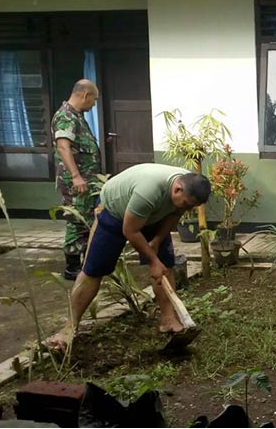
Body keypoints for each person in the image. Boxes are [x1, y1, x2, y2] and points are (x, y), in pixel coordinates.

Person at [46, 163, 211, 351]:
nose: (186, 208)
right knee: (93, 270)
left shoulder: (186, 189)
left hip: (151, 217)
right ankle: (69, 329)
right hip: (115, 213)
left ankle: (168, 320)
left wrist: (157, 241)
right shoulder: (148, 191)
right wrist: (153, 260)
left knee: (166, 266)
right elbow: (130, 231)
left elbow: (175, 215)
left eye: (191, 206)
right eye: (186, 204)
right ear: (177, 189)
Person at [52, 79, 102, 280]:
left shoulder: (77, 116)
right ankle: (72, 267)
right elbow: (63, 146)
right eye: (94, 99)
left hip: (86, 181)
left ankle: (83, 264)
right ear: (84, 95)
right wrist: (75, 176)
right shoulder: (65, 116)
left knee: (86, 219)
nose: (94, 104)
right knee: (76, 221)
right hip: (76, 182)